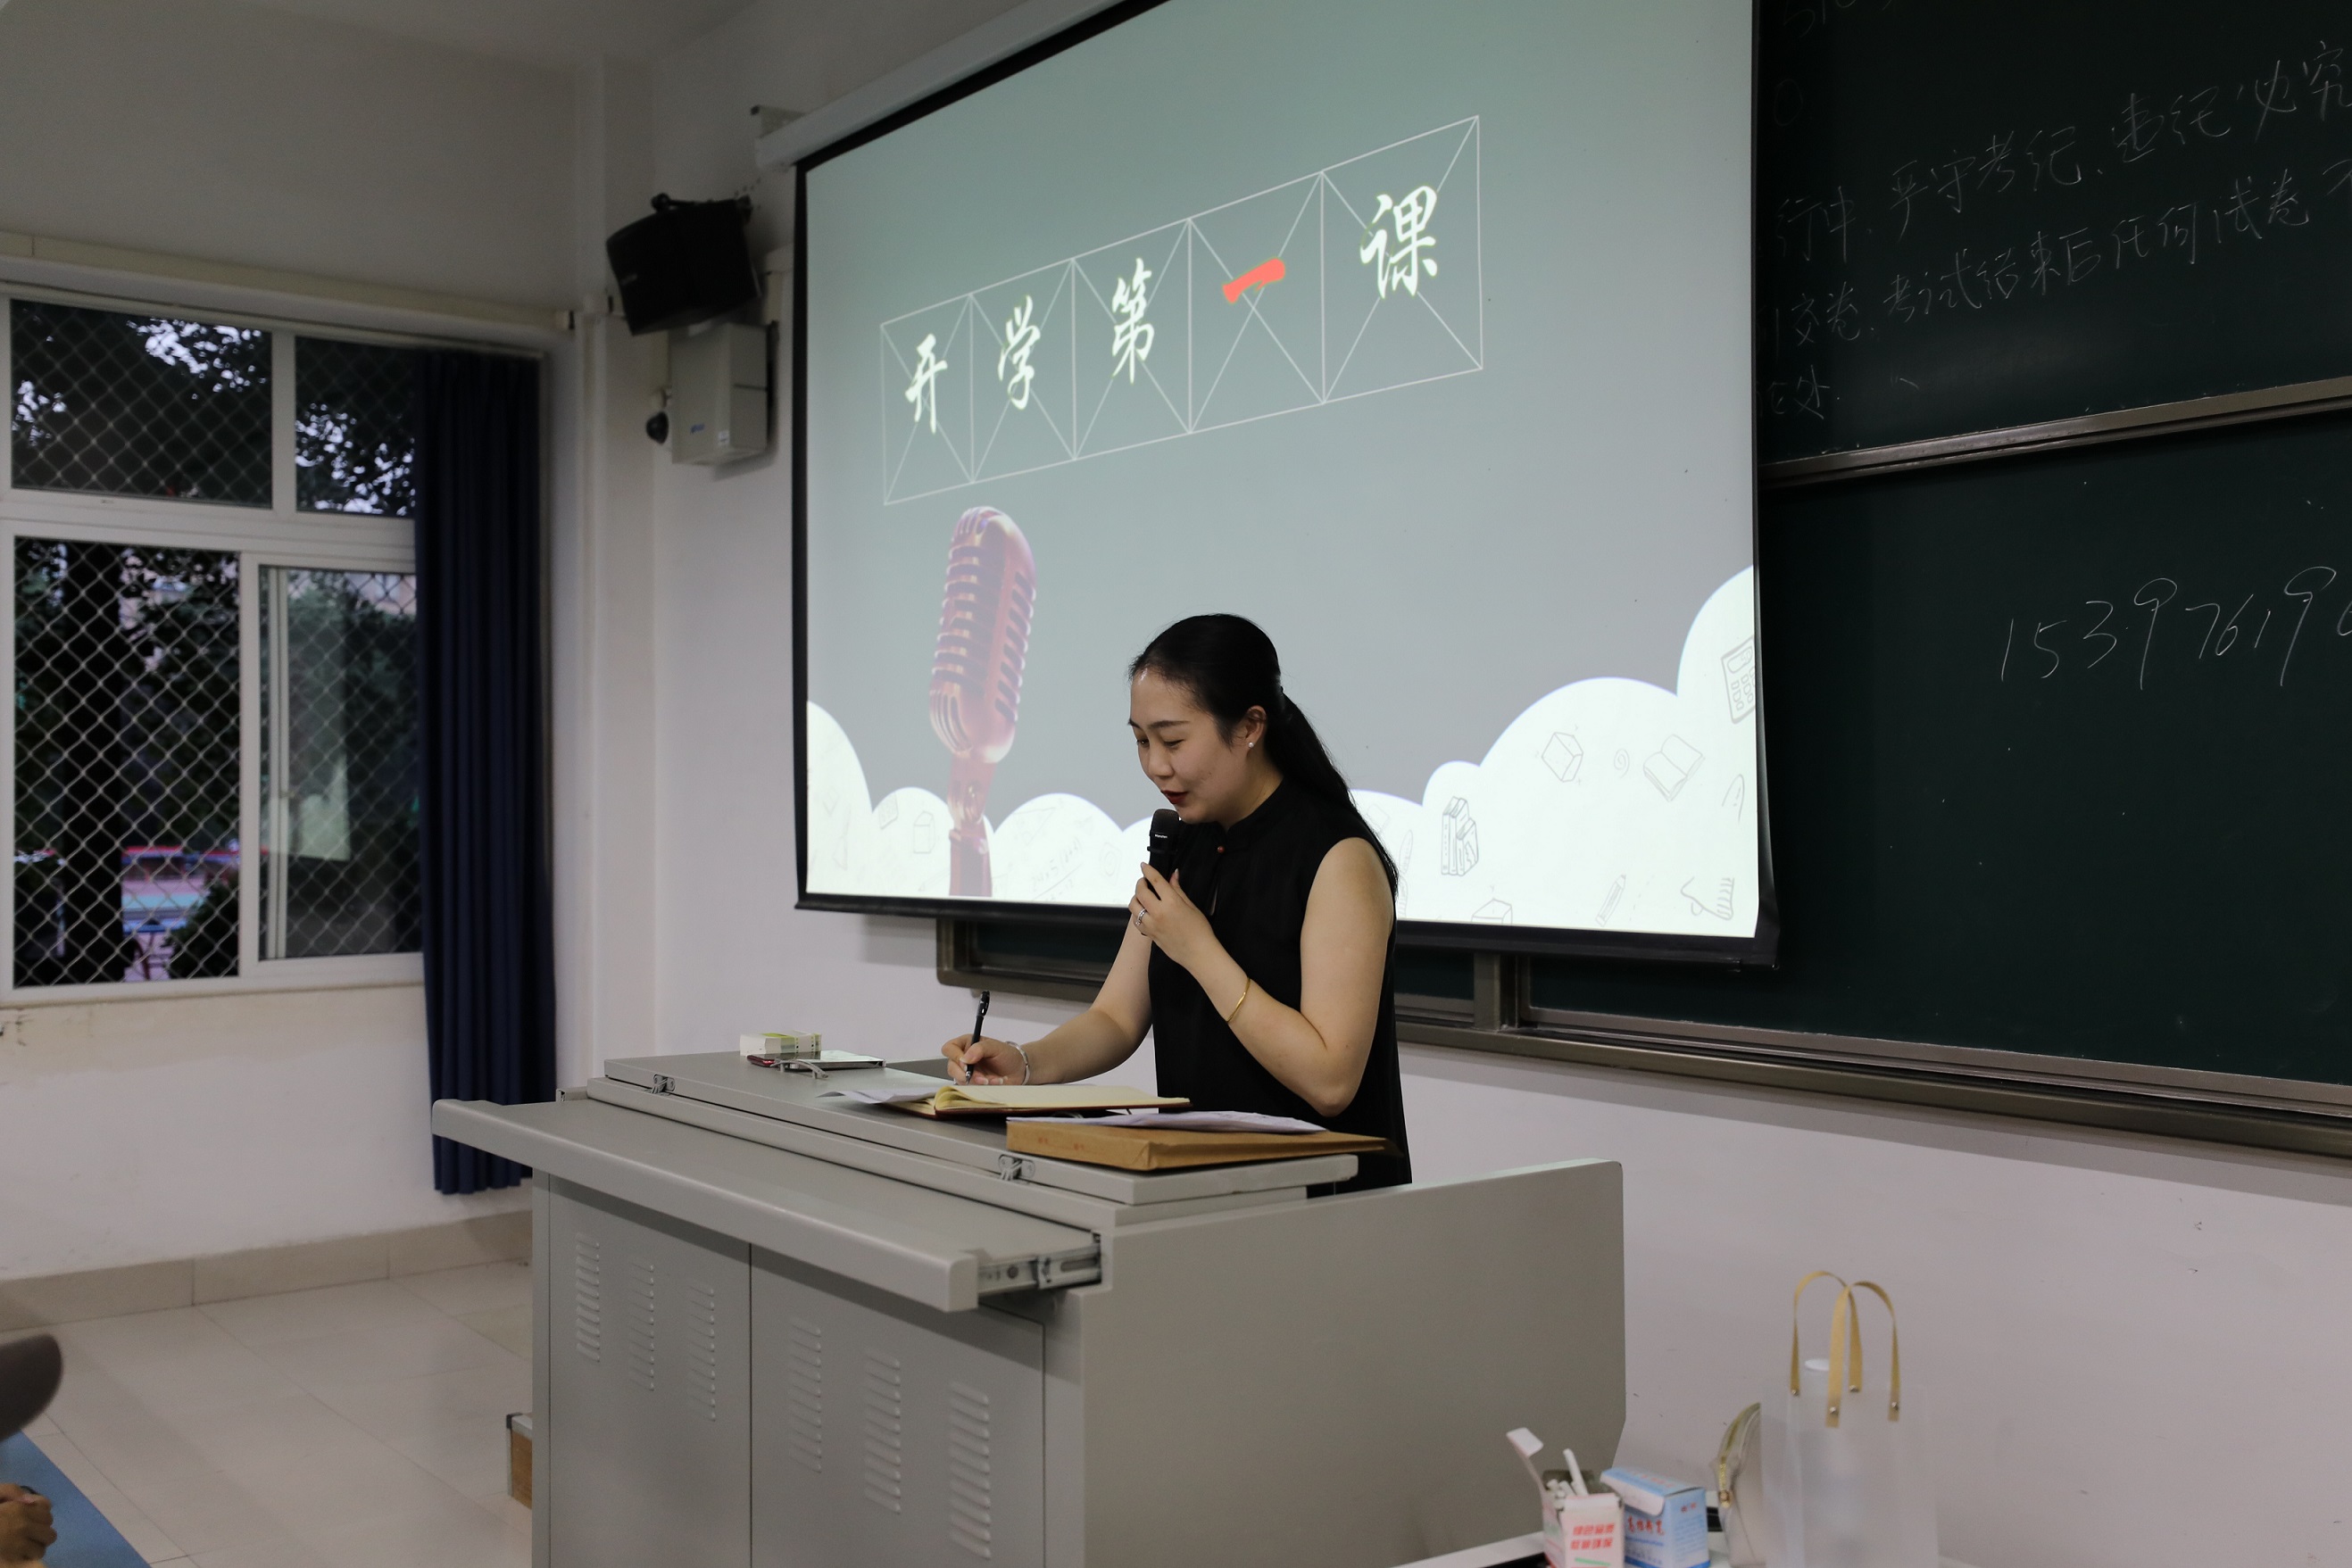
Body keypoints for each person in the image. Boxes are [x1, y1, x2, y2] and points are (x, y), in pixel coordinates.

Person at [944, 614, 1410, 1190]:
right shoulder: (1185, 844)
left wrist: (1199, 951)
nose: (1155, 766)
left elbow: (1331, 1081)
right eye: (1142, 741)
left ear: (1250, 727)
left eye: (1173, 741)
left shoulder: (1338, 858)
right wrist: (1023, 1064)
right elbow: (1116, 1018)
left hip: (1324, 1201)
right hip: (1204, 1188)